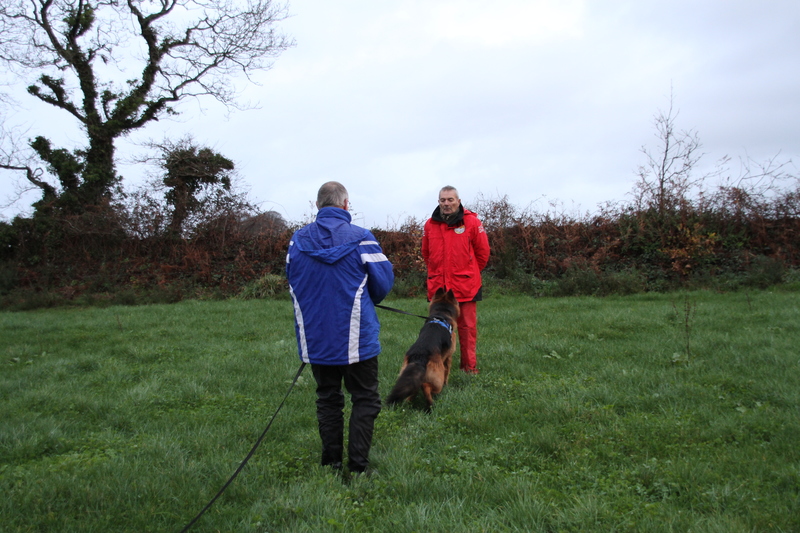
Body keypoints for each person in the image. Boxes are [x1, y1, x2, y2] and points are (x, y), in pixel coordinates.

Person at [286, 181, 394, 475]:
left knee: (328, 398)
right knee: (365, 398)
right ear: (346, 204)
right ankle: (358, 467)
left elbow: (294, 280)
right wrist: (364, 300)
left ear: (317, 205)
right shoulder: (363, 238)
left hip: (317, 336)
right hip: (358, 336)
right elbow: (383, 283)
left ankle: (331, 464)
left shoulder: (297, 241)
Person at [422, 186, 490, 374]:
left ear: (458, 201)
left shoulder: (472, 222)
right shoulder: (430, 225)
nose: (446, 203)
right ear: (438, 202)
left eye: (450, 199)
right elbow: (426, 254)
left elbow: (483, 253)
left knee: (467, 328)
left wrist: (469, 272)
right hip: (439, 289)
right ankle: (437, 367)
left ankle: (469, 368)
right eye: (443, 200)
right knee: (436, 328)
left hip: (465, 286)